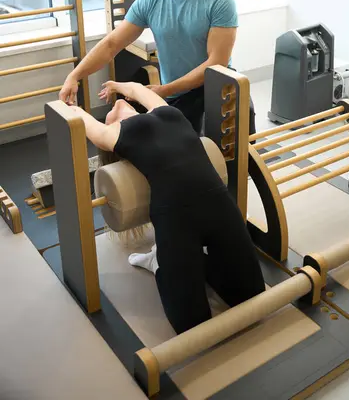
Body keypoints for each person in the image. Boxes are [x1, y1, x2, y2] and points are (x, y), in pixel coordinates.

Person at [67, 81, 265, 334]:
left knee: (252, 295)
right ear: (110, 126)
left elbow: (138, 90)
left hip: (219, 203)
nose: (118, 104)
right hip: (176, 216)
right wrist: (70, 102)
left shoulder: (166, 112)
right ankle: (159, 263)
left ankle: (179, 259)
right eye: (109, 115)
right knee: (191, 324)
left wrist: (115, 85)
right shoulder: (115, 134)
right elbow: (79, 119)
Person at [59, 0, 256, 135]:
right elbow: (111, 44)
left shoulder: (219, 1)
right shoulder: (151, 1)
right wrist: (74, 75)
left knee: (237, 145)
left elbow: (215, 63)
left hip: (217, 89)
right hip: (177, 96)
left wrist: (163, 90)